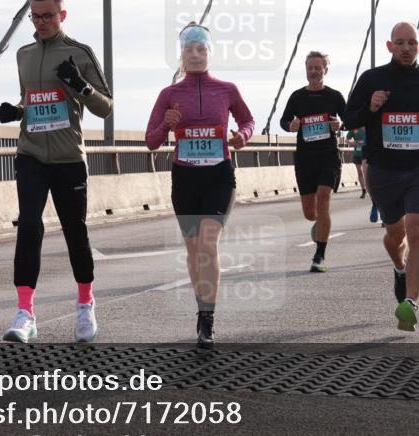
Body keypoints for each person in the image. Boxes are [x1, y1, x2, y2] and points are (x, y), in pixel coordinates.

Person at [0, 0, 113, 343]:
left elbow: (105, 107)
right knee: (29, 226)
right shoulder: (24, 54)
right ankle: (25, 313)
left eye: (48, 15)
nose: (41, 22)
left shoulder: (80, 53)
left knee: (75, 231)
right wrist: (16, 111)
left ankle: (85, 304)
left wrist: (81, 86)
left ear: (63, 15)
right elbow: (30, 100)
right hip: (31, 154)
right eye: (35, 15)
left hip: (68, 159)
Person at [146, 23, 254, 348]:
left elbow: (247, 121)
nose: (196, 54)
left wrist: (241, 136)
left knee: (208, 243)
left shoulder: (227, 89)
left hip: (219, 175)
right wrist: (166, 125)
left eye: (201, 49)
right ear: (181, 55)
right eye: (190, 49)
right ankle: (200, 307)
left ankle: (208, 316)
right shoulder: (169, 94)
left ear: (209, 53)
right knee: (194, 250)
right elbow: (151, 141)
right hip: (185, 177)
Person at [343, 21, 419, 332]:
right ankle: (399, 267)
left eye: (412, 43)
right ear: (390, 46)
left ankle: (411, 303)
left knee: (417, 231)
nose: (406, 48)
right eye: (400, 42)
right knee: (396, 237)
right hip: (383, 168)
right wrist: (371, 106)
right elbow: (349, 118)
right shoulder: (372, 79)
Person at [280, 51, 347, 273]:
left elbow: (348, 119)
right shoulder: (297, 97)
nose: (314, 71)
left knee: (324, 200)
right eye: (310, 67)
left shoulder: (334, 96)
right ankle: (320, 226)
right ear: (306, 69)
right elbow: (284, 120)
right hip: (305, 159)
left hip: (328, 156)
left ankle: (319, 255)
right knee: (310, 213)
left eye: (318, 67)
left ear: (325, 70)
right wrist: (291, 126)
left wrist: (340, 125)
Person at [345, 126, 369, 198]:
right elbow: (346, 140)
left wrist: (359, 142)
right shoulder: (354, 129)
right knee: (360, 172)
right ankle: (364, 190)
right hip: (357, 154)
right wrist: (351, 143)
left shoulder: (368, 126)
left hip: (367, 154)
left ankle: (369, 190)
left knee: (366, 173)